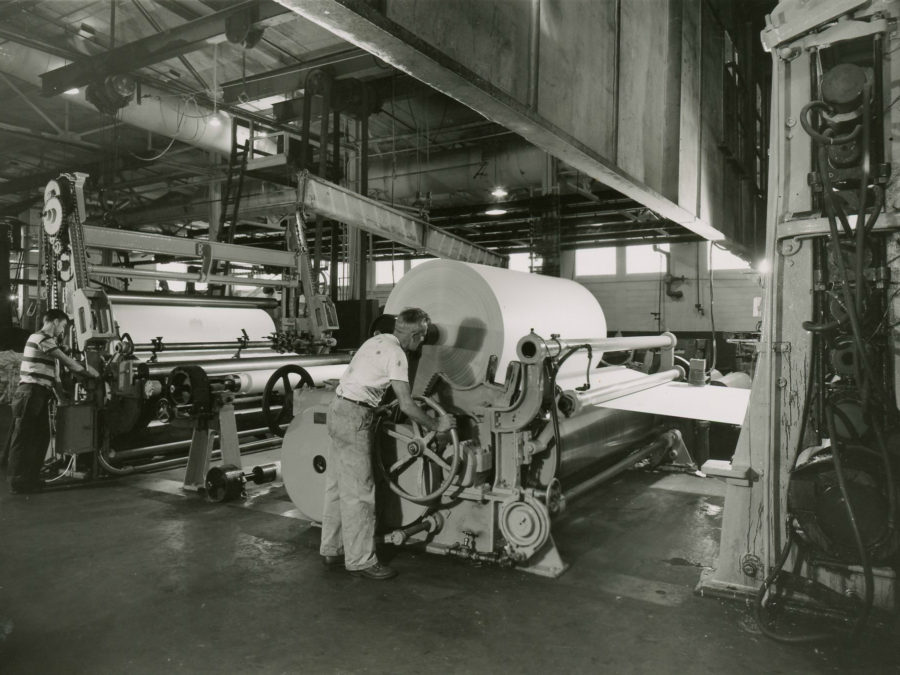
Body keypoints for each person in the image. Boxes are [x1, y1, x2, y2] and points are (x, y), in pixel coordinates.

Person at [319, 307, 453, 580]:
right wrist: (437, 425)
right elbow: (408, 404)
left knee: (336, 486)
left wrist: (374, 409)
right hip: (355, 419)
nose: (422, 343)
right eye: (423, 337)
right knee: (360, 493)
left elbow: (363, 382)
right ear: (414, 334)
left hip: (338, 410)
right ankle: (360, 561)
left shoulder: (376, 341)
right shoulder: (398, 355)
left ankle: (332, 548)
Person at [6, 308, 100, 494]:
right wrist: (89, 373)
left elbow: (54, 377)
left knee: (41, 437)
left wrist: (62, 398)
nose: (62, 331)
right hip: (29, 392)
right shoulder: (40, 338)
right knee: (24, 438)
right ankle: (18, 482)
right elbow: (66, 361)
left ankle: (31, 479)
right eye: (63, 326)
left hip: (39, 394)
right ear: (55, 322)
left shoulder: (48, 344)